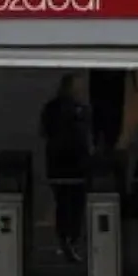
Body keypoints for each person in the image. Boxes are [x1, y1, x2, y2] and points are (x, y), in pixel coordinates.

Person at [39, 73, 92, 262]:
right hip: (74, 163)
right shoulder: (80, 110)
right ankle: (71, 239)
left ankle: (65, 239)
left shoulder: (51, 108)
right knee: (75, 203)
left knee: (63, 203)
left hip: (56, 162)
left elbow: (43, 131)